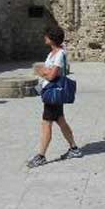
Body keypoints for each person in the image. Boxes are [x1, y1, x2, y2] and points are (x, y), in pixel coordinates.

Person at [27, 26, 82, 167]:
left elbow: (51, 75)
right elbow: (45, 71)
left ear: (52, 38)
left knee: (46, 124)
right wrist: (45, 71)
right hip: (50, 91)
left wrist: (43, 71)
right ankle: (74, 148)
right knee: (60, 120)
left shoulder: (59, 54)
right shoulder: (51, 54)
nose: (44, 38)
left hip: (54, 92)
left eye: (46, 36)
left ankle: (41, 155)